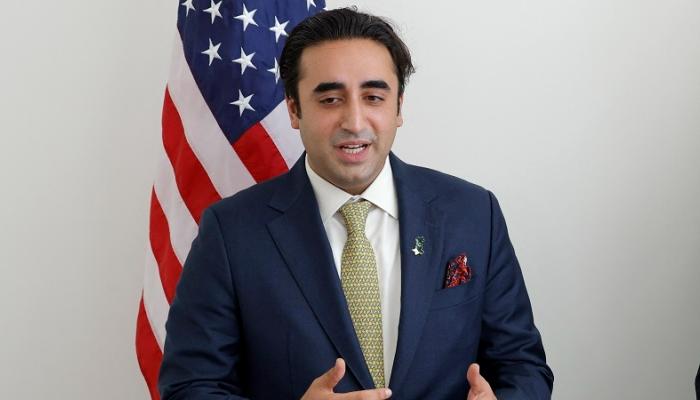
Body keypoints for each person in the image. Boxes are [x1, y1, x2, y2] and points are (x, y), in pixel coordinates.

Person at [158, 8, 554, 399]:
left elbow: (523, 365)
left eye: (373, 97)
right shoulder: (230, 232)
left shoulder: (474, 214)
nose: (355, 121)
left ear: (398, 107)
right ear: (294, 109)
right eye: (330, 99)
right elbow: (190, 386)